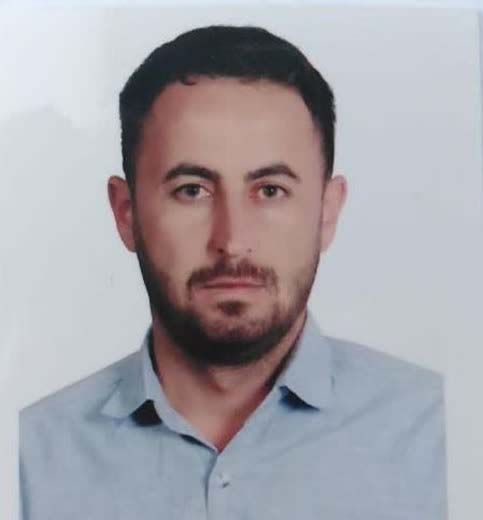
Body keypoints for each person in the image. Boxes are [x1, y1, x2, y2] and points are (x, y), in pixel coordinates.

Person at [19, 25, 447, 519]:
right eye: (192, 190)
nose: (232, 239)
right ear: (126, 213)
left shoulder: (438, 435)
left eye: (270, 190)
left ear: (327, 213)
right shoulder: (30, 460)